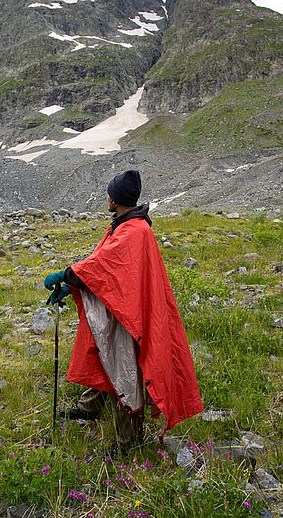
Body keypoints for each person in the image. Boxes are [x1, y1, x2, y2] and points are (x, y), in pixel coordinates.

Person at [44, 169, 203, 453]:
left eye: (109, 193)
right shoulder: (125, 224)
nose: (106, 197)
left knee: (124, 369)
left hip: (130, 315)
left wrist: (66, 275)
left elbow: (105, 267)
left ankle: (128, 441)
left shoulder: (134, 231)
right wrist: (73, 286)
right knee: (106, 356)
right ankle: (91, 407)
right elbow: (103, 266)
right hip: (121, 307)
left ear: (116, 199)